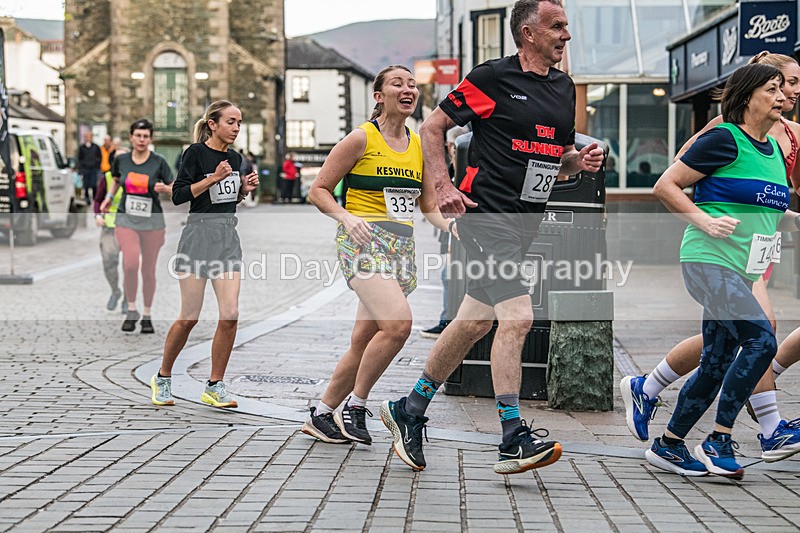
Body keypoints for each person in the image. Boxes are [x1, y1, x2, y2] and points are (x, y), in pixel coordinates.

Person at [380, 0, 603, 475]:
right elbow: (433, 126)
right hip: (483, 218)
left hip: (525, 222)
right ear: (528, 32)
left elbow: (555, 159)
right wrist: (441, 185)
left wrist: (576, 164)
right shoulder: (492, 78)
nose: (566, 35)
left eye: (567, 26)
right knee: (519, 318)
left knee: (473, 323)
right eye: (556, 26)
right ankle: (510, 435)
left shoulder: (564, 88)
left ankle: (410, 409)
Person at [621, 52, 800, 464]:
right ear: (746, 97)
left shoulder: (773, 150)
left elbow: (769, 212)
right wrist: (704, 220)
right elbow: (665, 185)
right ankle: (720, 438)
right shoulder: (724, 139)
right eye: (771, 89)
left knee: (716, 361)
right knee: (760, 339)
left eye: (783, 89)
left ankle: (668, 444)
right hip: (707, 261)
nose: (782, 96)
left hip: (741, 267)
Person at [301, 65, 452, 445]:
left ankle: (321, 415)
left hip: (401, 248)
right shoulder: (360, 139)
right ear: (379, 95)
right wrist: (346, 217)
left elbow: (429, 205)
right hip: (363, 244)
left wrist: (454, 229)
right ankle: (357, 405)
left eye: (412, 85)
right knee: (398, 325)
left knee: (362, 340)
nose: (408, 89)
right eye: (397, 84)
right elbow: (318, 190)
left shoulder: (420, 144)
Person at [149, 100, 258, 408]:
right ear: (213, 124)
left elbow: (225, 199)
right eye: (231, 122)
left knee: (231, 314)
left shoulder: (235, 158)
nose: (236, 128)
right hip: (197, 237)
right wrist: (213, 177)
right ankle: (162, 377)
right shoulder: (195, 154)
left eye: (239, 122)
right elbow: (180, 194)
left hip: (226, 237)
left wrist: (243, 189)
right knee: (189, 317)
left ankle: (215, 385)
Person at [100, 119, 174, 334]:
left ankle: (147, 314)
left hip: (152, 221)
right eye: (138, 136)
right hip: (126, 219)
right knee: (130, 264)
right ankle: (131, 308)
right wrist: (108, 198)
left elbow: (173, 186)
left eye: (146, 136)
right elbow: (115, 180)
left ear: (150, 139)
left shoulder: (158, 162)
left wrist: (166, 189)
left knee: (148, 270)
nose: (142, 140)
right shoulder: (121, 160)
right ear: (131, 137)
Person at [420, 125, 469, 339]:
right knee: (448, 274)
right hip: (449, 225)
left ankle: (447, 321)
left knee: (449, 274)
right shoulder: (447, 167)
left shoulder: (460, 162)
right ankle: (447, 319)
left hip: (459, 226)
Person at [93, 168, 124, 312]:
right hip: (110, 227)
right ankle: (115, 291)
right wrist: (98, 215)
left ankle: (129, 299)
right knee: (109, 262)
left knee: (130, 266)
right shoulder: (108, 177)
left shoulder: (136, 175)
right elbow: (98, 200)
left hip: (133, 227)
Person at [78, 131, 102, 206]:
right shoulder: (82, 148)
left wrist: (97, 166)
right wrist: (81, 168)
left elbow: (99, 157)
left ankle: (95, 197)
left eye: (89, 137)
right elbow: (80, 158)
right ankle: (87, 198)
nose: (87, 138)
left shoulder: (96, 147)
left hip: (94, 168)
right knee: (86, 184)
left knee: (94, 184)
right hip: (85, 169)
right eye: (86, 137)